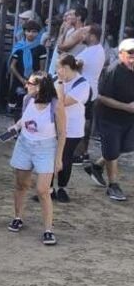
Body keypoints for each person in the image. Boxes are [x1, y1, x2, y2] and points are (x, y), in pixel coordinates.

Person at [5, 71, 66, 245]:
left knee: (42, 190)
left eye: (30, 83)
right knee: (21, 184)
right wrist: (15, 127)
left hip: (46, 148)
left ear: (41, 87)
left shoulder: (56, 105)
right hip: (25, 144)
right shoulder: (27, 100)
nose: (26, 86)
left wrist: (59, 158)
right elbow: (24, 121)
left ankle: (48, 229)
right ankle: (18, 217)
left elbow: (62, 133)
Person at [84, 38, 134, 202]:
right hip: (109, 117)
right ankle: (113, 185)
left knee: (122, 146)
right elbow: (101, 98)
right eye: (130, 53)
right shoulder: (112, 71)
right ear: (121, 54)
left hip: (128, 118)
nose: (133, 57)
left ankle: (96, 166)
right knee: (112, 148)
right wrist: (126, 107)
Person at [48, 55, 90, 203]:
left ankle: (62, 188)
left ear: (65, 69)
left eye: (58, 69)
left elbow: (63, 102)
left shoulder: (82, 84)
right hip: (53, 125)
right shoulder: (54, 79)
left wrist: (59, 83)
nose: (56, 72)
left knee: (64, 158)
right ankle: (49, 188)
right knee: (50, 157)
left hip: (72, 128)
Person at [74, 24, 106, 164]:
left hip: (85, 90)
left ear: (92, 36)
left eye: (85, 33)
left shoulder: (91, 52)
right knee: (85, 121)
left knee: (81, 123)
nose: (82, 36)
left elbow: (73, 66)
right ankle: (83, 153)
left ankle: (79, 154)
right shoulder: (97, 50)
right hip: (89, 90)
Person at [8, 20, 49, 114]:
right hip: (18, 81)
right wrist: (22, 79)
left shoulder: (41, 49)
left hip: (34, 82)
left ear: (38, 33)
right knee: (16, 108)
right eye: (28, 31)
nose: (31, 34)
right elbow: (12, 66)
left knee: (30, 106)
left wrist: (33, 80)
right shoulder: (19, 47)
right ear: (24, 32)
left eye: (34, 31)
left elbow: (41, 69)